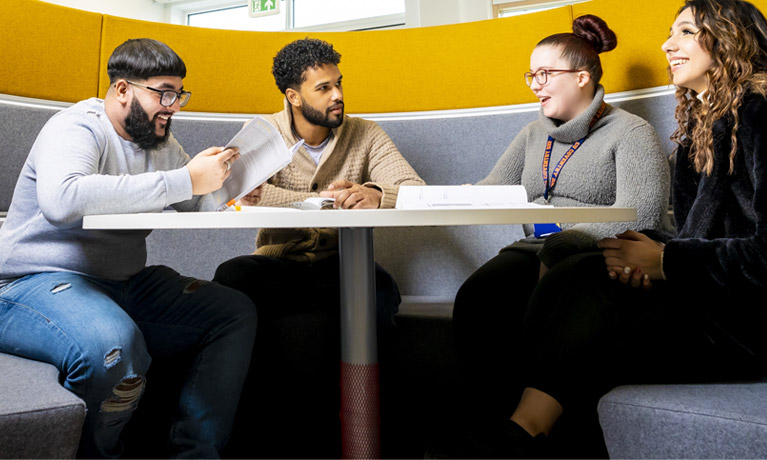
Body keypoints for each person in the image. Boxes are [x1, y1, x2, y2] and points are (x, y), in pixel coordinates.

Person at [449, 0, 767, 457]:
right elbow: (692, 236)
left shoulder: (757, 116)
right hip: (703, 293)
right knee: (570, 276)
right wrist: (645, 259)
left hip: (745, 320)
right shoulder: (701, 126)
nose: (666, 44)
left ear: (730, 38)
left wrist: (663, 260)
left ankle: (518, 438)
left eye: (685, 32)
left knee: (577, 281)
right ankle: (522, 430)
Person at [0, 38, 258, 458]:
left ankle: (194, 453)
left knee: (232, 312)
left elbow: (194, 200)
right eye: (164, 94)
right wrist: (187, 179)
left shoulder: (160, 141)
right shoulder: (76, 127)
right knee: (112, 346)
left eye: (179, 94)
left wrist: (237, 188)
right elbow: (62, 199)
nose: (174, 107)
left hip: (121, 281)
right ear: (122, 90)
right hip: (31, 285)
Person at [447, 14, 671, 454]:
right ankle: (488, 429)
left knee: (545, 302)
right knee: (479, 297)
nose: (534, 83)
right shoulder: (533, 133)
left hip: (593, 253)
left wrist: (566, 237)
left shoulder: (631, 132)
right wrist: (399, 195)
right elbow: (495, 192)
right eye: (532, 74)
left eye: (545, 73)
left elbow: (644, 211)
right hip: (535, 249)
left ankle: (542, 433)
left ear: (583, 77)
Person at [214, 38, 424, 327]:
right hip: (277, 262)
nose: (337, 95)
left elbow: (416, 190)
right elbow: (240, 196)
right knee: (232, 277)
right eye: (324, 88)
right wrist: (320, 203)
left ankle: (362, 374)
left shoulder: (366, 133)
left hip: (344, 260)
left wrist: (376, 193)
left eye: (338, 83)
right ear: (294, 96)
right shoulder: (261, 132)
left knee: (381, 289)